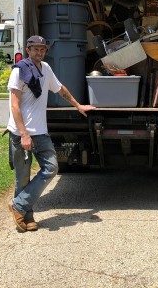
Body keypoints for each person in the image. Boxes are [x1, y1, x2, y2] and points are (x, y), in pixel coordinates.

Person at [6, 35, 95, 232]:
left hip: (40, 132)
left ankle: (18, 205)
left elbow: (60, 88)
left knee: (51, 167)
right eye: (35, 49)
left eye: (42, 49)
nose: (39, 52)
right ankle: (26, 217)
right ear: (28, 50)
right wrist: (24, 134)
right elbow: (14, 104)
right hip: (21, 133)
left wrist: (77, 105)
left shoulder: (45, 68)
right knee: (23, 178)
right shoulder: (19, 71)